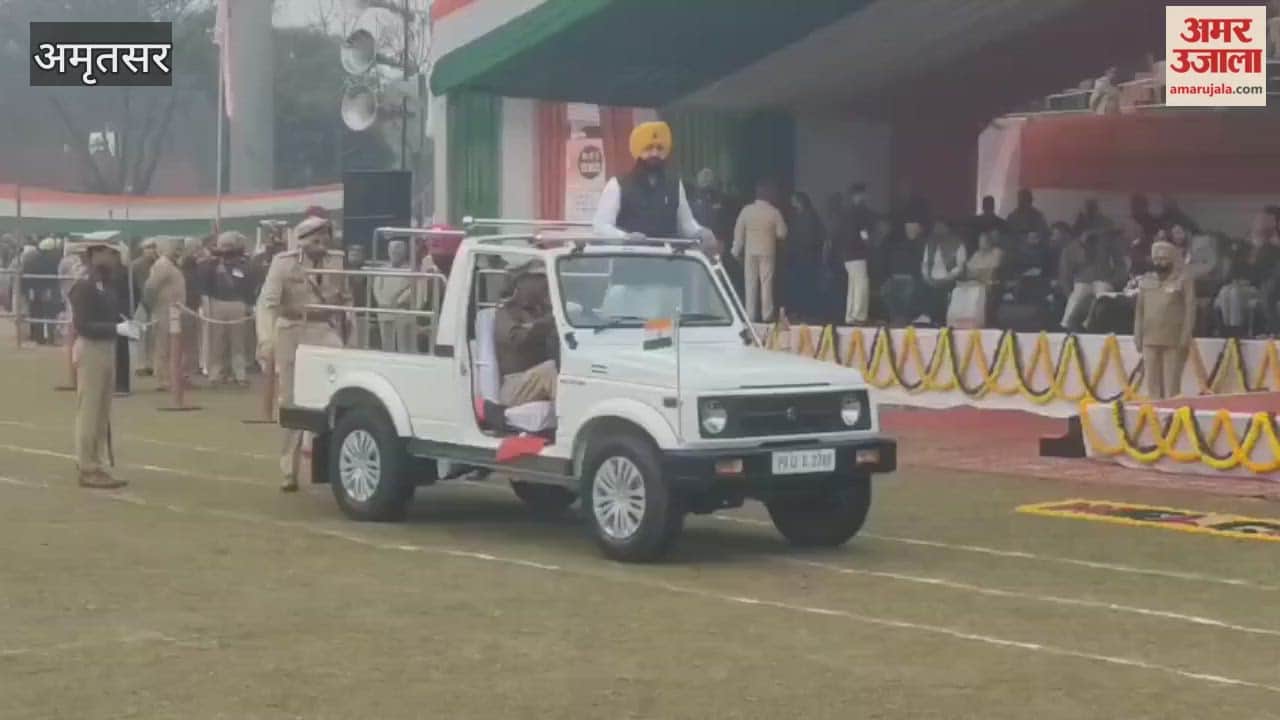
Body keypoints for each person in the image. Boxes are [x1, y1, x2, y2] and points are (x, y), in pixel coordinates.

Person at [256, 216, 350, 491]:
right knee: (291, 400)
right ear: (303, 239)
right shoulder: (284, 263)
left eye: (326, 237)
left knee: (340, 391)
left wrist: (350, 334)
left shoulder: (336, 261)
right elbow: (267, 303)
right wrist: (266, 340)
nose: (322, 243)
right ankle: (289, 468)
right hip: (292, 329)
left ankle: (329, 461)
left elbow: (346, 300)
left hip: (324, 327)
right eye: (316, 238)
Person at [67, 242, 138, 489]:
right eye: (109, 253)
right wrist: (114, 328)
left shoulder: (105, 284)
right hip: (91, 348)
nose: (113, 258)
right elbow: (83, 324)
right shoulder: (84, 285)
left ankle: (96, 462)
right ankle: (87, 466)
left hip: (107, 347)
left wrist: (123, 323)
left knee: (102, 411)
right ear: (95, 253)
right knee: (89, 410)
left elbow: (111, 312)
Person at [592, 120, 717, 255]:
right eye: (649, 148)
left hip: (668, 263)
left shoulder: (675, 184)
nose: (655, 153)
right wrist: (625, 238)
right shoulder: (617, 184)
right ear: (638, 151)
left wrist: (702, 232)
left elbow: (686, 226)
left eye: (659, 148)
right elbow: (600, 226)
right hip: (629, 262)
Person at [1134, 241, 1195, 399]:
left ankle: (1171, 419)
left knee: (1171, 388)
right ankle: (1154, 417)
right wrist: (1137, 335)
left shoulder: (1184, 280)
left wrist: (1185, 336)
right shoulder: (1146, 280)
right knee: (1152, 386)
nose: (1159, 263)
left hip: (1173, 339)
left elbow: (1190, 310)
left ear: (1172, 259)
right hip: (1149, 338)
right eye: (1156, 259)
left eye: (1163, 259)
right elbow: (1139, 310)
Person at [494, 265, 558, 406]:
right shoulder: (506, 312)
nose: (545, 286)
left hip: (533, 379)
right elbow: (516, 339)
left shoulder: (539, 311)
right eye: (539, 281)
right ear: (522, 284)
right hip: (514, 385)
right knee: (550, 371)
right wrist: (546, 324)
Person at [732, 178, 788, 322]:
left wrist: (736, 251)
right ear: (769, 195)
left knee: (750, 283)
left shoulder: (746, 210)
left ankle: (750, 315)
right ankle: (767, 315)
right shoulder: (774, 212)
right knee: (766, 283)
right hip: (767, 251)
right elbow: (782, 233)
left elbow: (739, 233)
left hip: (750, 252)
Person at [201, 232, 253, 385]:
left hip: (237, 303)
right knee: (217, 341)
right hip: (217, 302)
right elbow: (205, 282)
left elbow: (248, 284)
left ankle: (239, 374)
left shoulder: (243, 264)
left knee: (238, 342)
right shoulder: (211, 265)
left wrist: (248, 303)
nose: (226, 249)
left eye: (229, 245)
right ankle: (216, 374)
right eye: (223, 245)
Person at [143, 238, 187, 391]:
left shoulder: (172, 264)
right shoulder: (162, 265)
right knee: (163, 346)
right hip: (163, 309)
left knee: (173, 346)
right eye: (174, 248)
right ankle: (163, 379)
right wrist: (150, 306)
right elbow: (150, 287)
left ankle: (173, 377)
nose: (177, 251)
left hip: (174, 310)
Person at [783, 191, 825, 322]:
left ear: (800, 201)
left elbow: (812, 237)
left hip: (807, 257)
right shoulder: (798, 216)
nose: (791, 202)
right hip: (799, 257)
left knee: (806, 284)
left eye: (793, 199)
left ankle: (807, 312)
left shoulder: (809, 216)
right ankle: (800, 311)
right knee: (799, 285)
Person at [839, 183, 877, 325]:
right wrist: (869, 243)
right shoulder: (860, 211)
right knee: (861, 283)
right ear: (860, 195)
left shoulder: (845, 212)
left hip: (846, 254)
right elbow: (863, 232)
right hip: (858, 252)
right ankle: (859, 315)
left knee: (852, 284)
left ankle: (850, 315)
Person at [918, 220, 968, 325]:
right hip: (932, 277)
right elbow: (925, 262)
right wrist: (926, 276)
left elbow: (960, 266)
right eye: (936, 228)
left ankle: (940, 319)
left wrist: (949, 277)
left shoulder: (958, 243)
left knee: (943, 291)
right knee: (922, 286)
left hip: (950, 277)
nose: (938, 230)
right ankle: (927, 316)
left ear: (947, 228)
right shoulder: (930, 243)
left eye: (940, 227)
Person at [373, 239, 417, 353]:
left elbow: (412, 289)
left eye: (398, 251)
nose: (395, 253)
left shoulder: (410, 270)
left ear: (404, 252)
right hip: (384, 310)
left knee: (404, 343)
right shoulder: (382, 270)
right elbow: (376, 288)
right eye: (392, 250)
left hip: (402, 311)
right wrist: (383, 302)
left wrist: (398, 302)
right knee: (386, 343)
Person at [129, 238, 158, 376]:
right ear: (143, 250)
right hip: (140, 303)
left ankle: (151, 364)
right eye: (148, 248)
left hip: (157, 303)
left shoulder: (159, 264)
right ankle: (140, 365)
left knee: (153, 336)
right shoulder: (135, 265)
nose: (151, 250)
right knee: (140, 335)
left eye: (153, 247)